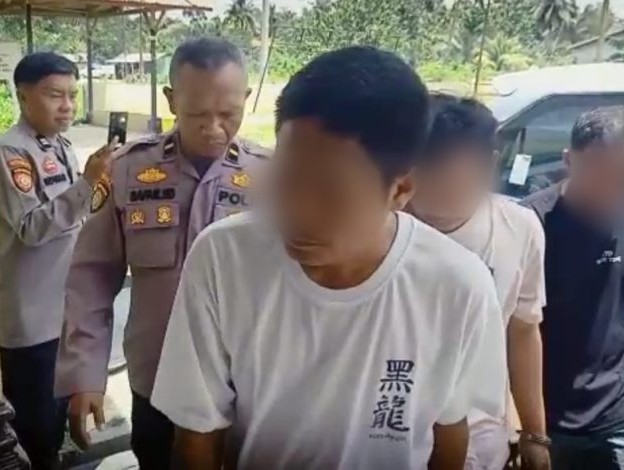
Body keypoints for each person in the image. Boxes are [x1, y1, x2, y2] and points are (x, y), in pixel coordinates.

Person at [151, 46, 507, 470]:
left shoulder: (457, 286)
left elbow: (449, 431)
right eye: (288, 177)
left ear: (400, 189)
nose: (299, 211)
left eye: (331, 190)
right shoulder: (224, 258)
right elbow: (197, 434)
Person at [54, 38, 269, 470]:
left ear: (246, 98)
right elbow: (91, 277)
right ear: (171, 100)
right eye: (197, 114)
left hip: (245, 385)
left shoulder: (272, 178)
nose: (214, 128)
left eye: (228, 113)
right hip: (157, 382)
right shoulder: (128, 170)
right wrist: (85, 373)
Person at [0, 52, 115, 470]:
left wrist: (101, 185)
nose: (67, 106)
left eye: (72, 96)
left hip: (62, 310)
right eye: (54, 95)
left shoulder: (60, 146)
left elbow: (74, 214)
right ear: (23, 96)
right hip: (31, 320)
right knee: (35, 428)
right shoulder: (9, 152)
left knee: (56, 418)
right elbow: (31, 228)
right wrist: (86, 182)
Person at [408, 94, 549, 470]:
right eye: (433, 170)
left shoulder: (519, 228)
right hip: (395, 433)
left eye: (460, 172)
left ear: (489, 164)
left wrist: (534, 432)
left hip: (481, 436)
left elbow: (523, 331)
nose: (446, 185)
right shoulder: (380, 225)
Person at [521, 106, 624, 470]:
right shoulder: (530, 224)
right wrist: (527, 427)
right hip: (547, 419)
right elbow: (512, 329)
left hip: (621, 415)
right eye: (602, 173)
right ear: (569, 160)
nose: (614, 189)